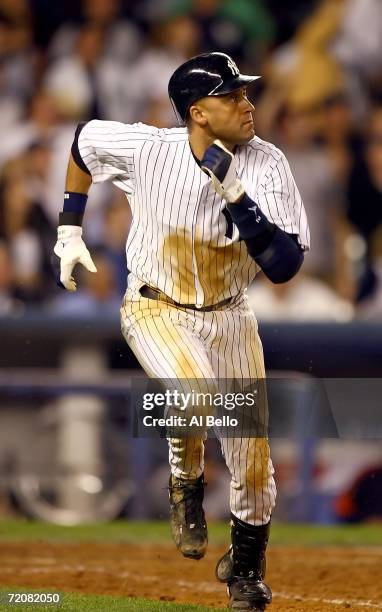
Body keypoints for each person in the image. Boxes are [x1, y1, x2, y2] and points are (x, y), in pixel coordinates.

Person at [52, 52, 310, 611]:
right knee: (192, 396)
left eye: (245, 92)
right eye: (232, 95)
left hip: (231, 313)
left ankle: (246, 571)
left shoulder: (267, 164)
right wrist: (70, 228)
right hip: (156, 305)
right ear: (197, 112)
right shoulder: (149, 149)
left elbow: (285, 265)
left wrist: (235, 193)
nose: (248, 103)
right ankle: (184, 481)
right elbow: (82, 141)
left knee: (253, 461)